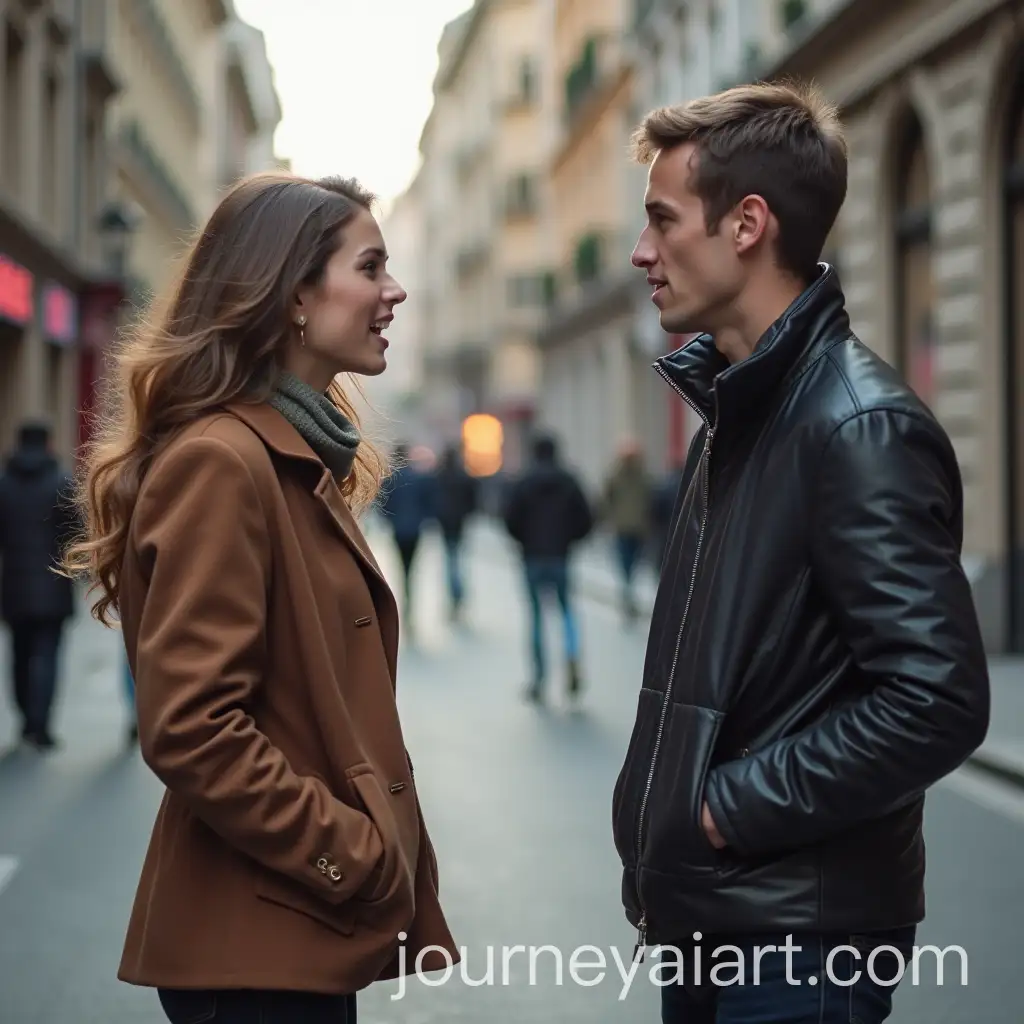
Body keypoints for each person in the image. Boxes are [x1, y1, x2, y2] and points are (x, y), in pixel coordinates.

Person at [611, 81, 989, 1024]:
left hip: (794, 953)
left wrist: (724, 810)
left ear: (747, 224)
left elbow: (936, 699)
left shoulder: (856, 425)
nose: (642, 251)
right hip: (725, 928)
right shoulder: (740, 412)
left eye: (662, 220)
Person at [62, 172, 458, 1023]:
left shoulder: (284, 451)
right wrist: (347, 854)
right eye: (370, 267)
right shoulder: (224, 460)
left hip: (280, 936)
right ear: (294, 298)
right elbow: (193, 727)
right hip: (253, 943)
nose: (394, 292)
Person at [0, 421, 78, 750]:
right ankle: (40, 724)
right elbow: (77, 533)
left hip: (14, 584)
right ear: (48, 444)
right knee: (47, 655)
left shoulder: (3, 484)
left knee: (18, 653)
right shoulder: (61, 482)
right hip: (53, 583)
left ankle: (23, 720)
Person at [502, 434, 593, 704]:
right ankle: (572, 660)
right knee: (567, 613)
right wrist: (569, 541)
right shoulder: (569, 480)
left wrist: (525, 541)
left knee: (536, 618)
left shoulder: (524, 482)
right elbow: (586, 518)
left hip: (532, 557)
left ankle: (539, 678)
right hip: (560, 556)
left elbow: (510, 520)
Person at [377, 442, 435, 624]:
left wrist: (389, 521)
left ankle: (405, 592)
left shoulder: (391, 479)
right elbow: (428, 502)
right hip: (415, 528)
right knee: (411, 564)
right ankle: (409, 595)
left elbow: (383, 504)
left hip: (398, 528)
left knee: (401, 564)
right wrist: (424, 519)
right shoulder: (419, 478)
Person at [600, 440, 653, 624]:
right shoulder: (643, 476)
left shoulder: (617, 476)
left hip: (624, 528)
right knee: (633, 565)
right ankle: (629, 596)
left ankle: (628, 595)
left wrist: (607, 521)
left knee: (627, 566)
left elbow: (606, 501)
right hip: (636, 528)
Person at [431, 443, 478, 622]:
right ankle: (458, 594)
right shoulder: (464, 476)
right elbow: (473, 500)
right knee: (457, 559)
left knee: (450, 560)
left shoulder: (439, 476)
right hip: (459, 523)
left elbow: (433, 499)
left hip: (445, 523)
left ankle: (454, 596)